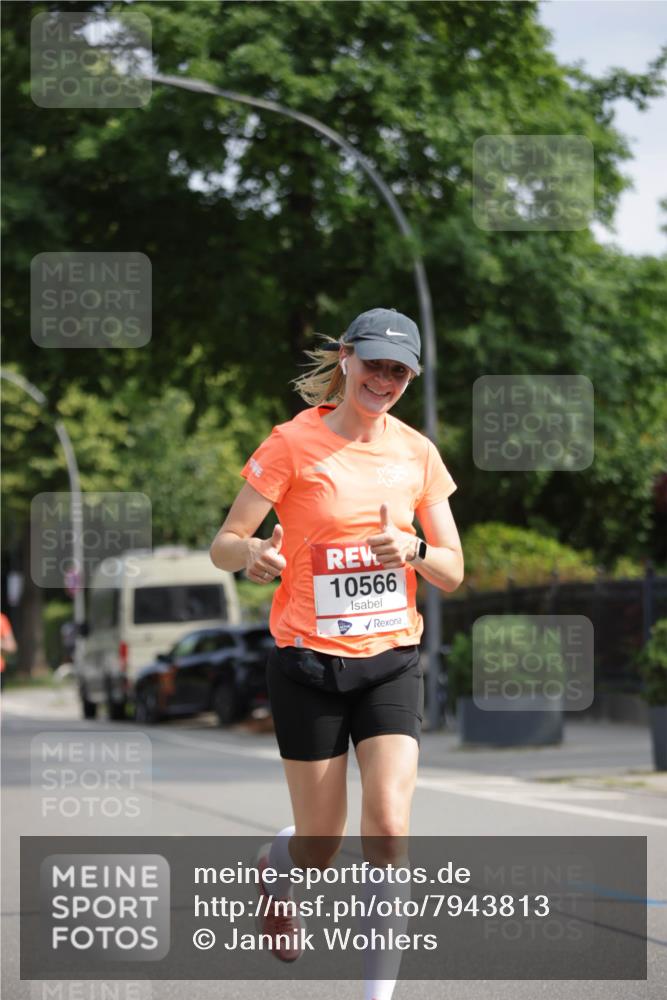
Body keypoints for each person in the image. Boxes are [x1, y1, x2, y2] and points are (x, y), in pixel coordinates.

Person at [210, 307, 463, 1000]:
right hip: (309, 665)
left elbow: (452, 567)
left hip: (390, 659)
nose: (383, 379)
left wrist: (411, 549)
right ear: (346, 359)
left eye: (398, 371)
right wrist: (252, 553)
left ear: (409, 377)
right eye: (374, 363)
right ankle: (277, 864)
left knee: (387, 825)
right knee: (321, 845)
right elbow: (224, 541)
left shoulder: (416, 453)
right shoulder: (292, 444)